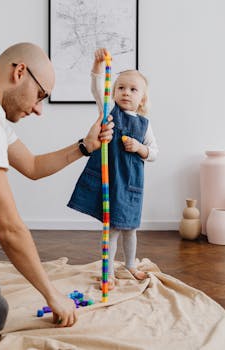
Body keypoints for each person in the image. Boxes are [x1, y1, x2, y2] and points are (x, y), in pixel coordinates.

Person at [0, 42, 114, 333]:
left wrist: (86, 146)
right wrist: (52, 295)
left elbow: (32, 166)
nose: (38, 109)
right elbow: (9, 228)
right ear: (20, 72)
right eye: (40, 95)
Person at [68, 48, 159, 290]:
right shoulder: (109, 112)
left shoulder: (144, 125)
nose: (126, 92)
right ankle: (107, 270)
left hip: (131, 183)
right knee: (112, 228)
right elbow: (98, 89)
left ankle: (130, 264)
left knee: (130, 227)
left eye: (133, 89)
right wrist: (98, 67)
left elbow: (154, 152)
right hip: (111, 178)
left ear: (142, 99)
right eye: (121, 88)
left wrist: (140, 148)